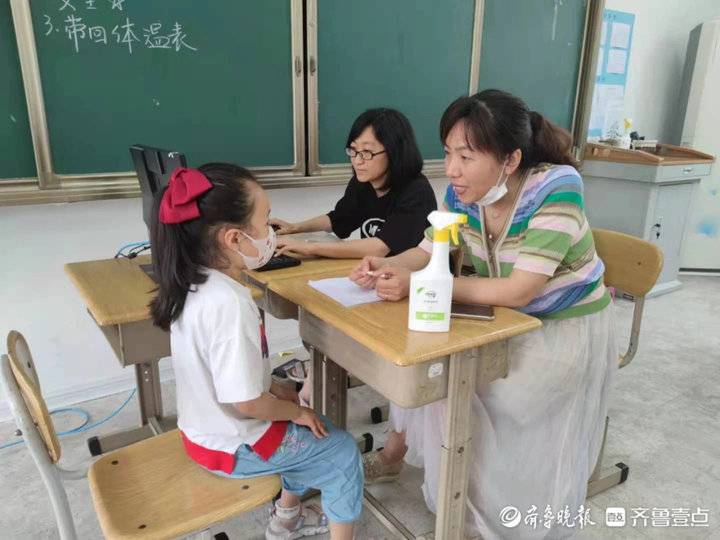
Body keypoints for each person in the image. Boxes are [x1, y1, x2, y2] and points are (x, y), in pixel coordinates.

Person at [350, 89, 618, 539]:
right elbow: (429, 249)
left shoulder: (557, 188)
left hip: (564, 328)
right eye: (448, 153)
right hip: (502, 321)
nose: (451, 168)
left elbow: (519, 289)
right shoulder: (463, 193)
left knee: (485, 396)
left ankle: (495, 514)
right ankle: (460, 500)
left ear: (510, 160)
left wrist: (423, 285)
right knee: (433, 375)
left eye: (466, 156)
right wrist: (388, 265)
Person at [150, 164, 363, 540]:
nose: (271, 232)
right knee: (341, 450)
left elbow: (228, 378)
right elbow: (246, 402)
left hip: (203, 433)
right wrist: (295, 411)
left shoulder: (191, 283)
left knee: (309, 425)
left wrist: (278, 392)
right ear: (233, 239)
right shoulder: (229, 304)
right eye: (265, 221)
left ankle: (287, 518)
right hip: (233, 446)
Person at [272, 108, 437, 258]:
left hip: (414, 278)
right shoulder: (364, 182)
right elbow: (338, 219)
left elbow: (380, 247)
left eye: (367, 152)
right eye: (354, 150)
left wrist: (309, 247)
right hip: (376, 272)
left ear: (394, 152)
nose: (357, 161)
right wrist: (295, 227)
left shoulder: (416, 192)